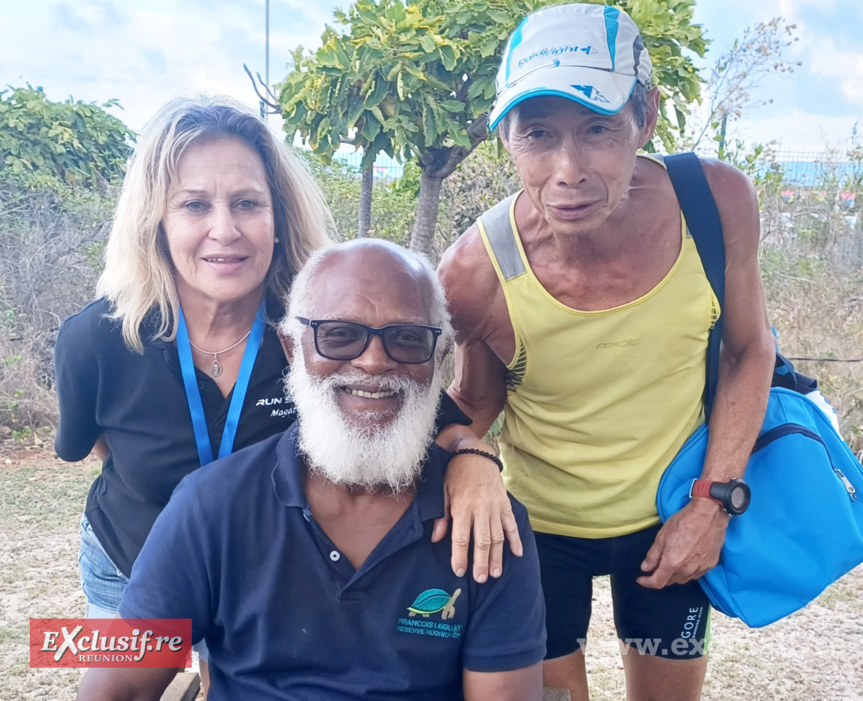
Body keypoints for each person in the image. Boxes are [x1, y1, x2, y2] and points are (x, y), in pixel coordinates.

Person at [53, 97, 504, 693]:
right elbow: (97, 448)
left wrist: (474, 461)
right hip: (126, 560)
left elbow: (434, 414)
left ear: (278, 216)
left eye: (247, 204)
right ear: (155, 220)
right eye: (194, 205)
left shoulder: (317, 333)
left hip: (258, 571)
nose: (225, 230)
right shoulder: (98, 338)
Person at [438, 5, 776, 700]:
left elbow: (747, 350)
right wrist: (463, 462)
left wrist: (711, 504)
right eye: (537, 134)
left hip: (671, 510)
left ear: (643, 118)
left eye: (597, 129)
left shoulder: (714, 204)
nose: (568, 171)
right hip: (539, 532)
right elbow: (471, 400)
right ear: (505, 137)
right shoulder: (475, 271)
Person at [76, 240, 547, 701]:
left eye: (407, 338)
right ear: (292, 347)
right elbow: (122, 686)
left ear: (439, 358)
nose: (373, 362)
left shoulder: (488, 525)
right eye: (340, 334)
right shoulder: (211, 506)